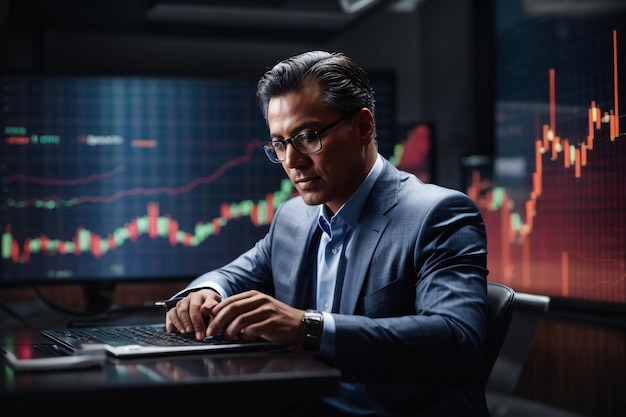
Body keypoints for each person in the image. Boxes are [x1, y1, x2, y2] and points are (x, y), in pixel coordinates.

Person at [165, 50, 490, 417]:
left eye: (308, 136)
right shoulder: (293, 216)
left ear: (364, 126)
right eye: (280, 143)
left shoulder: (439, 214)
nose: (292, 161)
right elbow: (235, 275)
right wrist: (205, 291)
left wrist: (309, 329)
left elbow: (456, 341)